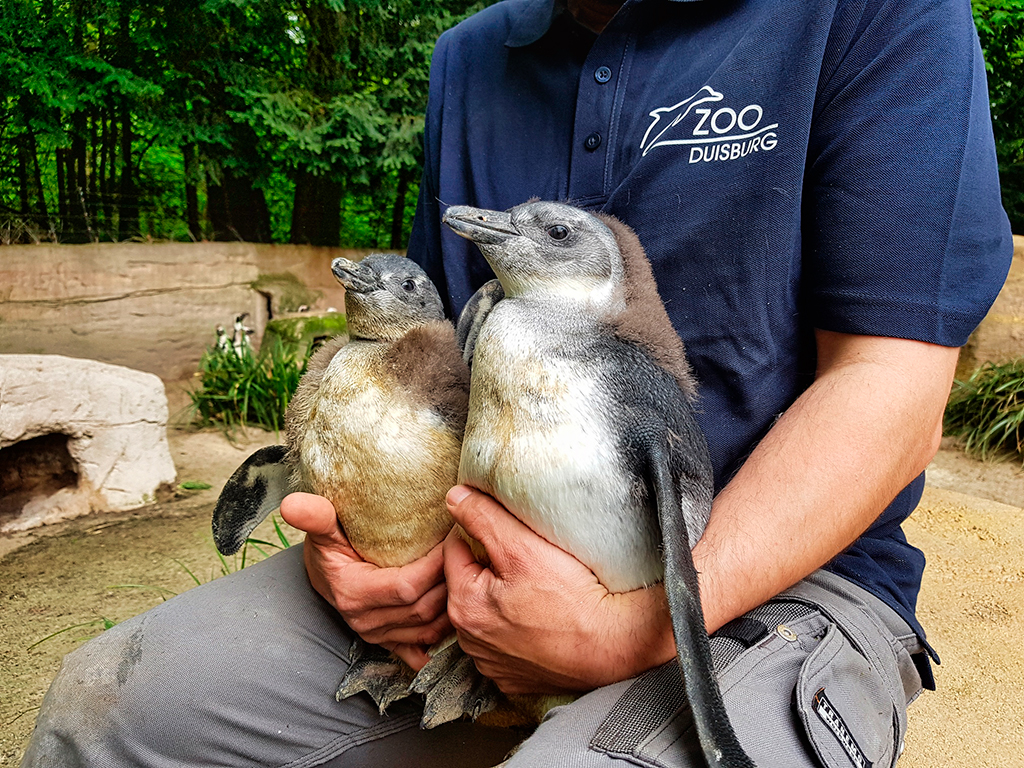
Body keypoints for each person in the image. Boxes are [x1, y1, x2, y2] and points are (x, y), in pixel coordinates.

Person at [22, 0, 1013, 766]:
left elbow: (891, 386)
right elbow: (431, 364)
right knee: (111, 701)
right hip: (476, 560)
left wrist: (634, 622)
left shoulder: (873, 14)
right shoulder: (470, 57)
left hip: (785, 581)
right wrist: (371, 555)